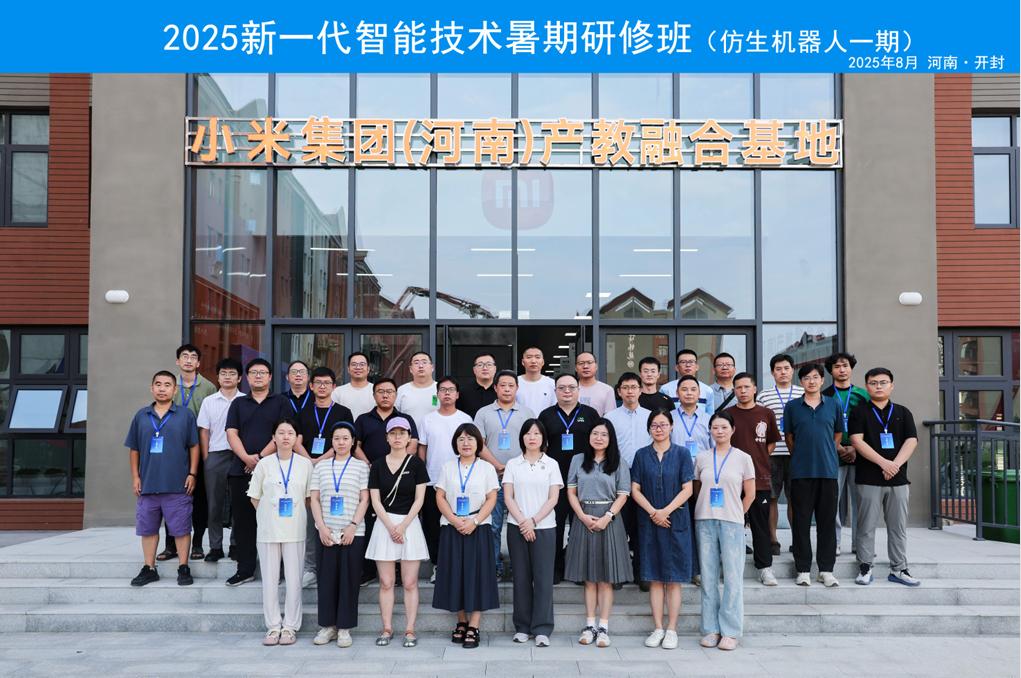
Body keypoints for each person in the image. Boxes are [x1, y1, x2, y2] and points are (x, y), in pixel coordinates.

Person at [125, 371, 200, 587]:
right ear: (152, 388)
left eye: (167, 385)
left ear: (175, 390)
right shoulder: (141, 416)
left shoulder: (185, 415)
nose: (162, 388)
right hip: (148, 484)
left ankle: (183, 567)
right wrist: (135, 477)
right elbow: (134, 449)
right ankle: (149, 568)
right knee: (148, 529)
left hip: (177, 484)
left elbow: (194, 446)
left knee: (181, 528)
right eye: (158, 384)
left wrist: (192, 473)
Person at [849, 368, 921, 587]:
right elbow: (857, 441)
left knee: (898, 527)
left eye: (883, 382)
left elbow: (911, 441)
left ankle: (899, 568)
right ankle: (865, 567)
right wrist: (884, 463)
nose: (878, 386)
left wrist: (895, 465)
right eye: (873, 383)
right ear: (867, 386)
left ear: (892, 385)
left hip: (898, 480)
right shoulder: (859, 411)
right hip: (869, 478)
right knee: (866, 526)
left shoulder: (903, 412)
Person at [630, 410, 694, 650]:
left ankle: (672, 629)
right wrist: (653, 512)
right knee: (655, 578)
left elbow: (688, 489)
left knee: (674, 579)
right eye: (654, 425)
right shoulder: (641, 455)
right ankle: (658, 628)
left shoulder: (682, 454)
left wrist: (665, 511)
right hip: (650, 522)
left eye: (663, 424)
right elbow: (635, 489)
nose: (659, 429)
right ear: (649, 429)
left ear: (671, 427)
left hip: (675, 521)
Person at [432, 423, 501, 649]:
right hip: (451, 525)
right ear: (455, 443)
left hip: (478, 526)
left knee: (478, 574)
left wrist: (475, 521)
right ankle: (461, 621)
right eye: (461, 439)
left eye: (470, 438)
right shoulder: (447, 467)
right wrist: (454, 519)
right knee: (455, 574)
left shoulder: (486, 468)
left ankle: (474, 624)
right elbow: (440, 496)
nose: (466, 443)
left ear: (478, 442)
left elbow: (492, 498)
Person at [564, 420, 632, 648]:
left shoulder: (619, 462)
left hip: (609, 519)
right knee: (589, 578)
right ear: (589, 436)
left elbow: (623, 494)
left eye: (604, 434)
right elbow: (571, 492)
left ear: (610, 438)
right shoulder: (577, 460)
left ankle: (603, 627)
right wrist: (582, 516)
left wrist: (607, 517)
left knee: (605, 579)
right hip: (583, 518)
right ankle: (589, 625)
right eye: (595, 433)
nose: (599, 438)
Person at [224, 358, 290, 587]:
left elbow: (283, 433)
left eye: (263, 372)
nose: (258, 376)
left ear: (270, 377)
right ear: (247, 377)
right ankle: (245, 569)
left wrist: (259, 459)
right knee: (243, 523)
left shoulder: (281, 402)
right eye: (254, 372)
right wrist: (246, 457)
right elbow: (231, 433)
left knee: (275, 520)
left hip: (274, 470)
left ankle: (277, 570)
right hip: (241, 470)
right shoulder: (238, 403)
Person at [247, 419, 314, 646]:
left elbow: (308, 498)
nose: (286, 437)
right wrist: (270, 514)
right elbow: (255, 497)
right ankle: (273, 626)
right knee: (270, 580)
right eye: (281, 433)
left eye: (290, 433)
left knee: (294, 580)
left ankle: (290, 626)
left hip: (295, 529)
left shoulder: (305, 465)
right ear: (273, 438)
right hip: (268, 530)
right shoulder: (264, 464)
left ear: (296, 438)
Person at [693, 411, 756, 652]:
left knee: (732, 577)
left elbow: (750, 494)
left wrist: (738, 513)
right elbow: (697, 488)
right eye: (715, 427)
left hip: (731, 522)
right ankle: (710, 629)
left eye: (723, 427)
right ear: (709, 430)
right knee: (708, 577)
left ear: (732, 430)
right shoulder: (702, 458)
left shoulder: (743, 458)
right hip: (705, 520)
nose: (719, 431)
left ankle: (730, 631)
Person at [365, 417, 430, 648]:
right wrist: (391, 526)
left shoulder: (416, 464)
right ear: (387, 437)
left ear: (409, 437)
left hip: (409, 524)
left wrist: (402, 526)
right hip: (384, 524)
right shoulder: (377, 465)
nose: (397, 437)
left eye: (402, 433)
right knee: (386, 582)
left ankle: (410, 629)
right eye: (393, 433)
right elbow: (375, 500)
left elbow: (419, 499)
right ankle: (387, 628)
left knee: (410, 582)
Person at [310, 422, 371, 647]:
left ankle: (344, 628)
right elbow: (314, 499)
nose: (341, 442)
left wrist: (353, 525)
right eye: (337, 438)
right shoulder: (321, 467)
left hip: (353, 532)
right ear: (331, 442)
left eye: (346, 438)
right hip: (326, 531)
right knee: (326, 580)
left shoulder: (361, 467)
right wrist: (321, 527)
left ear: (353, 441)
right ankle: (327, 626)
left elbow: (365, 499)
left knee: (349, 580)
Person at [503, 419, 563, 648]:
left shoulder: (551, 464)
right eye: (528, 433)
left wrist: (534, 521)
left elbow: (553, 498)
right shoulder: (513, 464)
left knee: (543, 579)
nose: (532, 437)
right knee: (521, 578)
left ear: (543, 438)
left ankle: (542, 628)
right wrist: (523, 522)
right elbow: (508, 496)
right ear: (522, 438)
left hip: (544, 527)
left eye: (537, 433)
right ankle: (522, 627)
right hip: (516, 527)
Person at [353, 378, 420, 585]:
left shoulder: (405, 418)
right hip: (372, 475)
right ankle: (369, 569)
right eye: (380, 391)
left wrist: (401, 465)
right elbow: (356, 446)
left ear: (395, 395)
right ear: (374, 395)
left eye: (389, 391)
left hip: (402, 477)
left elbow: (413, 444)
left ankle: (398, 570)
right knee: (371, 521)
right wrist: (370, 465)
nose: (385, 395)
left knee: (400, 518)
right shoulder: (363, 419)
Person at [784, 364, 844, 587]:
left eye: (816, 377)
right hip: (801, 472)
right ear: (801, 382)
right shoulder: (792, 407)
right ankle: (803, 569)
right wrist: (802, 454)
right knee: (801, 522)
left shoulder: (834, 404)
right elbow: (789, 437)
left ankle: (826, 570)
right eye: (807, 378)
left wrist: (826, 451)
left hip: (828, 471)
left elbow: (838, 433)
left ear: (822, 380)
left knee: (827, 522)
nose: (811, 381)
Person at [537, 372, 600, 583]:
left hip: (584, 479)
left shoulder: (590, 414)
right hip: (554, 480)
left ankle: (578, 569)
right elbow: (540, 447)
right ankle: (554, 568)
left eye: (571, 387)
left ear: (578, 390)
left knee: (580, 525)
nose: (567, 391)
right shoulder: (546, 415)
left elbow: (599, 444)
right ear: (555, 391)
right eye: (562, 388)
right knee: (554, 525)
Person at [157, 344, 216, 563]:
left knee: (199, 498)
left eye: (193, 357)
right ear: (177, 361)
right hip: (172, 451)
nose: (189, 360)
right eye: (184, 356)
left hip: (198, 449)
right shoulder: (169, 384)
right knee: (171, 498)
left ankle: (197, 543)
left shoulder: (208, 387)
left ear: (198, 363)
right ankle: (170, 544)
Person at [296, 367, 354, 588]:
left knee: (335, 513)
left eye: (327, 383)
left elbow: (345, 441)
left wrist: (320, 460)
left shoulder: (343, 412)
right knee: (311, 517)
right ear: (311, 386)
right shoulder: (303, 412)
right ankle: (311, 567)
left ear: (334, 387)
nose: (322, 386)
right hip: (307, 466)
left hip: (335, 468)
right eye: (318, 383)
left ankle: (336, 565)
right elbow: (297, 440)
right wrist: (310, 460)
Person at [474, 370, 535, 578]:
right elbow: (479, 444)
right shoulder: (483, 413)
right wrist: (498, 465)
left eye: (511, 385)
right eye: (503, 385)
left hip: (522, 479)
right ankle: (494, 567)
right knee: (493, 525)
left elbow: (534, 443)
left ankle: (522, 569)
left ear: (517, 388)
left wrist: (515, 468)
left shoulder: (527, 413)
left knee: (523, 523)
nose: (507, 389)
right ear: (495, 388)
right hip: (493, 478)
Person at [728, 372, 782, 586]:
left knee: (761, 526)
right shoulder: (727, 414)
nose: (742, 391)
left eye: (746, 387)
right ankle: (731, 567)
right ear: (734, 390)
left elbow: (771, 443)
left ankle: (765, 567)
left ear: (754, 389)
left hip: (759, 477)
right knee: (733, 525)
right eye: (738, 387)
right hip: (732, 479)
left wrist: (757, 459)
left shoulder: (766, 413)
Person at [419, 376, 472, 576]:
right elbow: (422, 449)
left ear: (457, 395)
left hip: (460, 481)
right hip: (433, 480)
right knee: (433, 526)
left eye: (451, 390)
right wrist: (423, 475)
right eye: (443, 390)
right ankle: (438, 565)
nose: (447, 393)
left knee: (459, 522)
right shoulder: (427, 419)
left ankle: (458, 565)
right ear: (437, 394)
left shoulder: (465, 419)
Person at [603, 372, 651, 589]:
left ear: (641, 390)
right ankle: (619, 573)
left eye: (634, 387)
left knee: (642, 526)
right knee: (619, 526)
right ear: (619, 391)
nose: (630, 391)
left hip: (644, 475)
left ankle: (642, 573)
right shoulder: (610, 417)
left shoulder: (650, 416)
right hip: (618, 474)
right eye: (625, 387)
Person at [196, 357, 245, 562]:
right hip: (216, 455)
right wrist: (207, 457)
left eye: (232, 373)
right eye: (223, 373)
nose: (227, 377)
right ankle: (215, 547)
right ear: (217, 377)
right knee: (214, 504)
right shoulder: (209, 401)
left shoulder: (245, 400)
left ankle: (236, 545)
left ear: (239, 378)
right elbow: (204, 431)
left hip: (239, 456)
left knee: (238, 503)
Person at [756, 353, 804, 556]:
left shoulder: (803, 392)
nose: (782, 372)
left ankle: (797, 540)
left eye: (786, 368)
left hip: (798, 455)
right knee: (772, 498)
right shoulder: (764, 396)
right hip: (772, 454)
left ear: (792, 370)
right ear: (772, 372)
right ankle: (772, 540)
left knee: (796, 498)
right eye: (778, 369)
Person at [823, 352, 869, 555]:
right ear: (831, 371)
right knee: (832, 500)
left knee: (861, 502)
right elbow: (823, 426)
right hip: (834, 454)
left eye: (845, 366)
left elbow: (870, 424)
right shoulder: (825, 395)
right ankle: (835, 542)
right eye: (837, 366)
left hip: (860, 454)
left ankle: (860, 544)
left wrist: (856, 448)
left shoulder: (863, 395)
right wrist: (839, 447)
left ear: (851, 368)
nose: (841, 370)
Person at [670, 374, 711, 585]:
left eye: (693, 389)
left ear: (699, 393)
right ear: (677, 393)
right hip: (675, 480)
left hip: (701, 480)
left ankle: (699, 570)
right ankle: (680, 567)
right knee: (679, 526)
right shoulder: (668, 418)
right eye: (684, 389)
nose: (688, 393)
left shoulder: (709, 419)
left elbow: (714, 449)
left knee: (700, 525)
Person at [660, 349, 714, 415]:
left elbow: (710, 416)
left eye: (691, 362)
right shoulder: (665, 389)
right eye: (683, 362)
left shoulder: (707, 390)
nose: (688, 365)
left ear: (697, 367)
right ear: (677, 367)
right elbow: (662, 415)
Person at [395, 351, 438, 432]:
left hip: (435, 437)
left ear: (432, 367)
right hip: (408, 438)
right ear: (411, 369)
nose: (421, 366)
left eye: (424, 362)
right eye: (416, 363)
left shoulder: (440, 389)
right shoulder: (402, 390)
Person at [332, 352, 376, 421]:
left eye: (362, 364)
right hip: (345, 427)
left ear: (368, 369)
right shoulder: (338, 392)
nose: (358, 367)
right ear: (348, 369)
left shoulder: (377, 391)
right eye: (354, 364)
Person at [516, 346, 556, 415]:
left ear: (543, 362)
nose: (533, 361)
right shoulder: (514, 382)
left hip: (545, 421)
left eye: (537, 357)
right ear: (523, 362)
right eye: (529, 357)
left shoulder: (552, 383)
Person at [459, 353, 498, 418]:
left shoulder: (501, 391)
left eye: (489, 364)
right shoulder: (463, 392)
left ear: (495, 369)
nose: (485, 368)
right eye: (480, 365)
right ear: (474, 370)